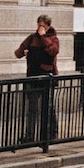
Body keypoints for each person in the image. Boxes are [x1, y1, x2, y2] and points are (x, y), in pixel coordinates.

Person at [14, 14, 59, 142]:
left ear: (48, 26)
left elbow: (53, 51)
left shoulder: (53, 38)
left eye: (42, 26)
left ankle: (51, 133)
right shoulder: (31, 38)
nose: (40, 28)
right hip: (32, 76)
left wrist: (43, 36)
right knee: (32, 108)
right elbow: (18, 53)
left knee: (48, 106)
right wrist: (23, 52)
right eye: (38, 25)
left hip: (46, 76)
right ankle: (30, 135)